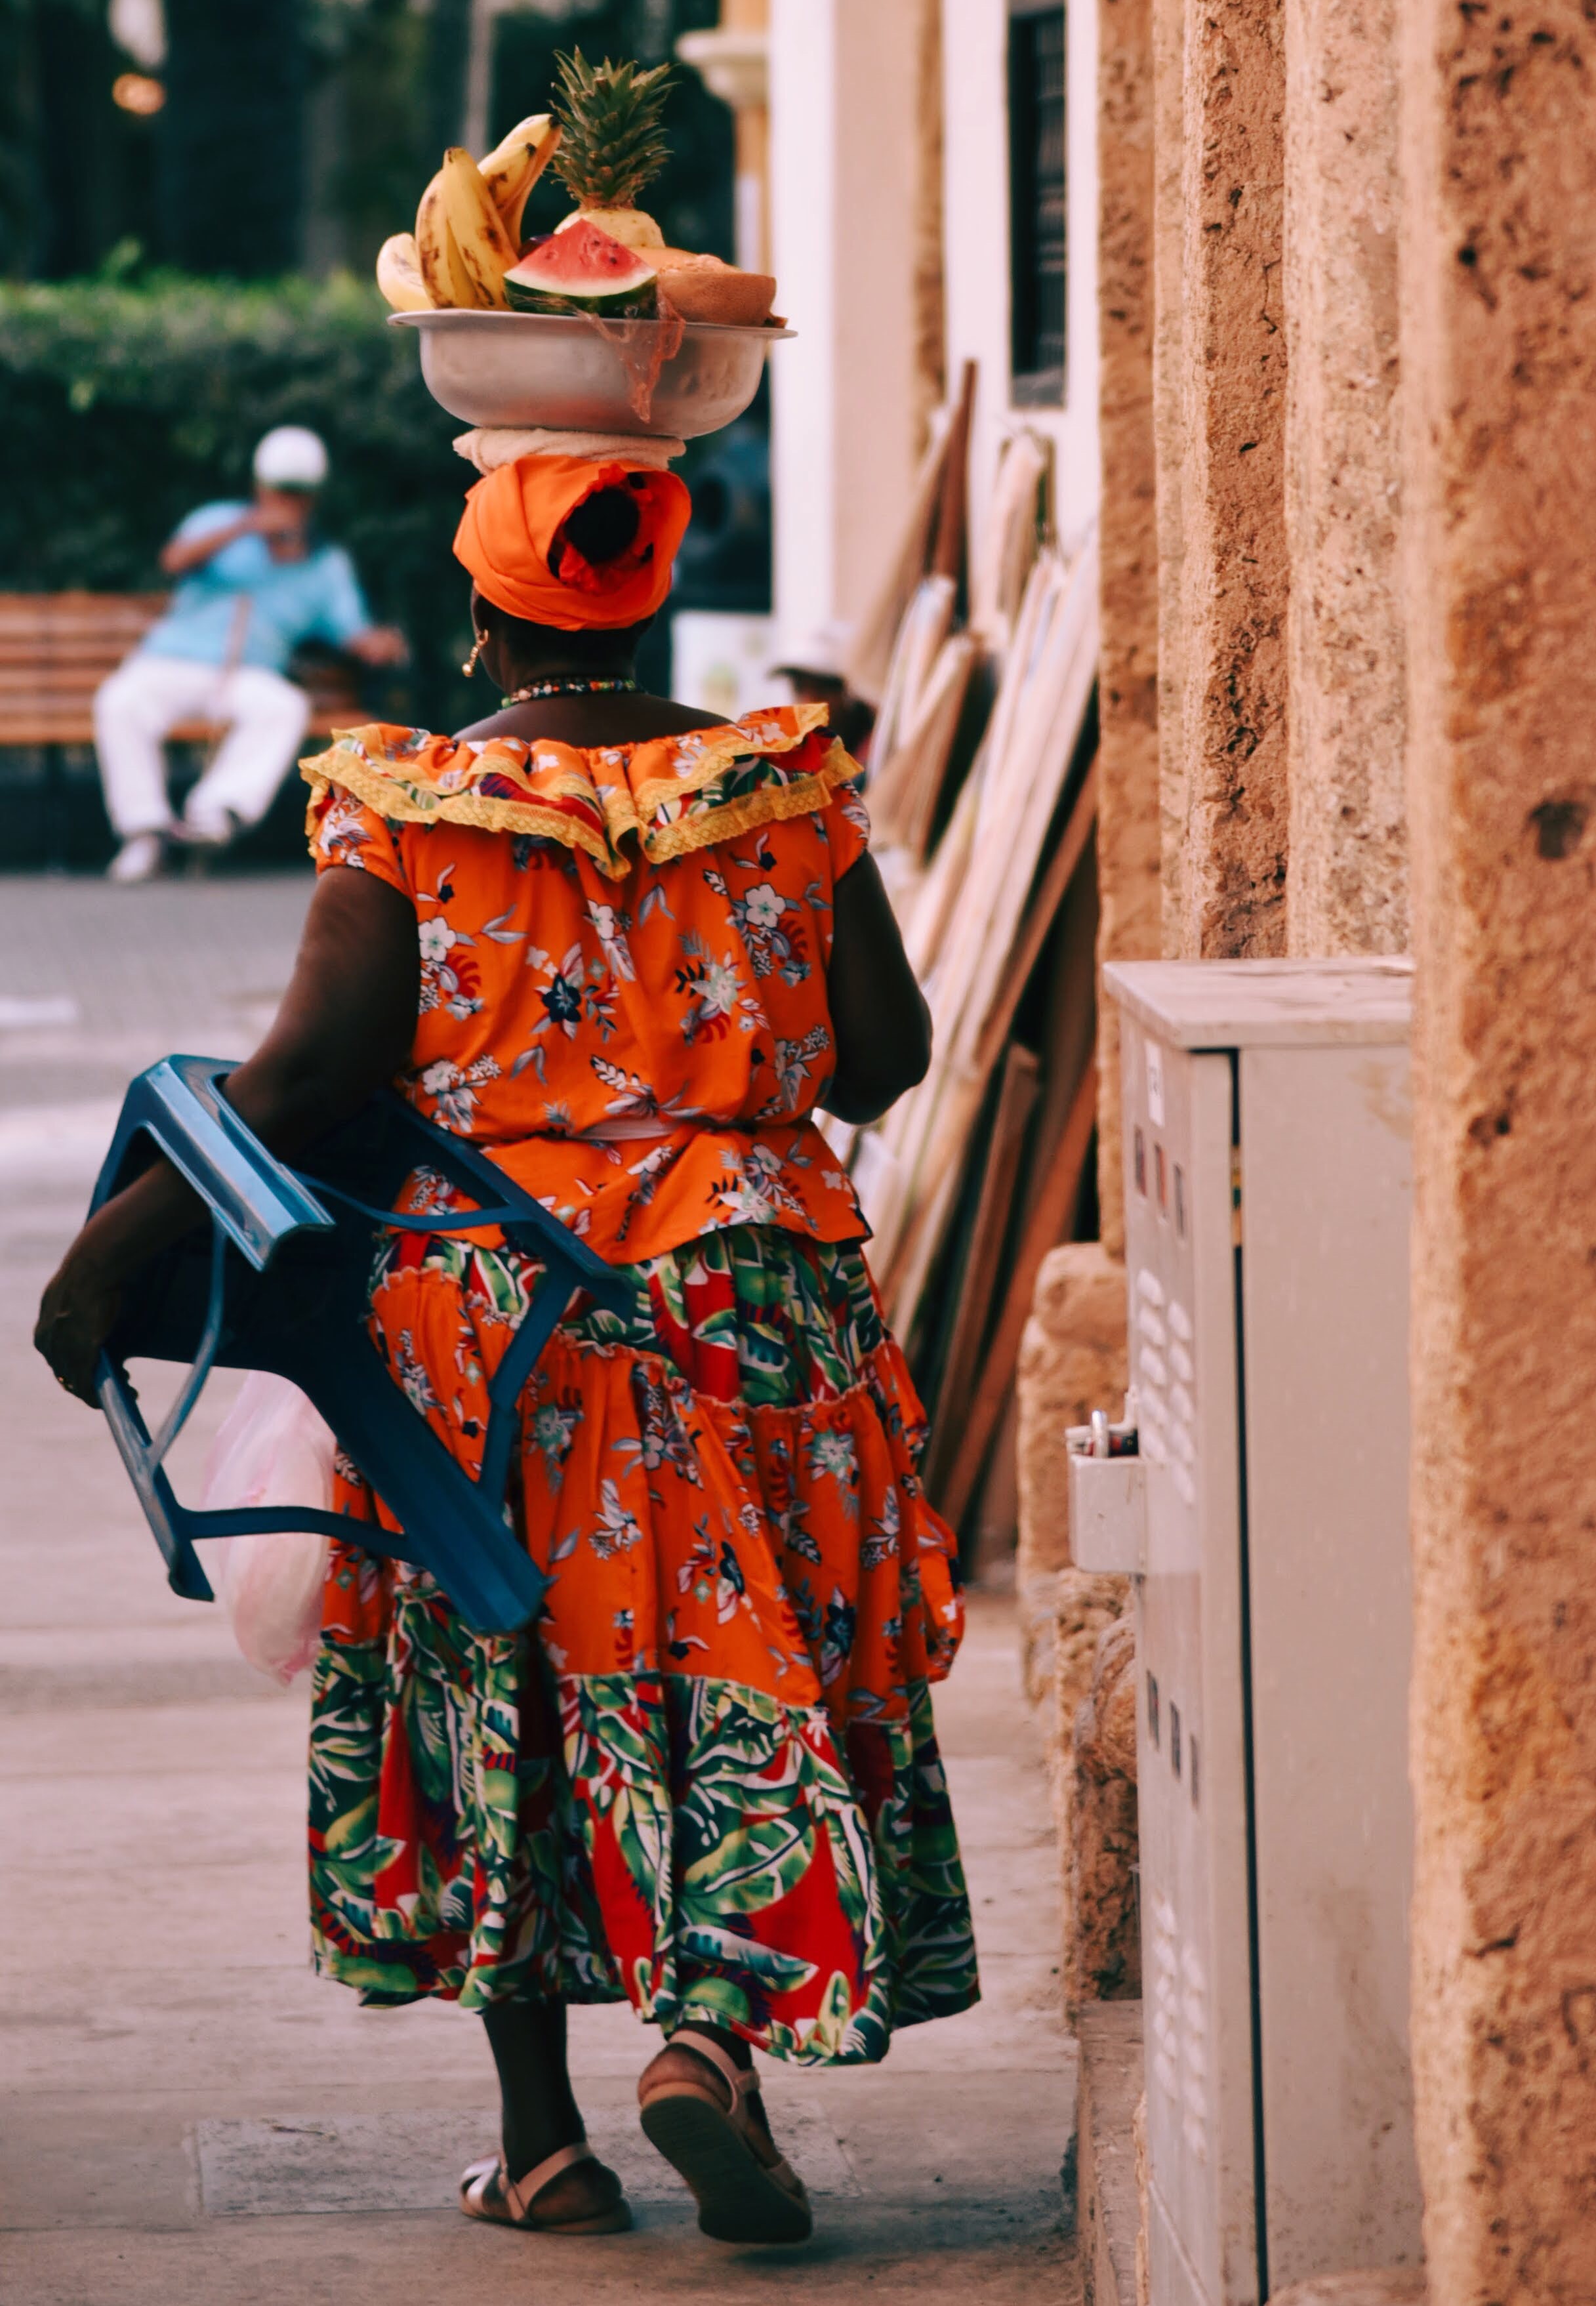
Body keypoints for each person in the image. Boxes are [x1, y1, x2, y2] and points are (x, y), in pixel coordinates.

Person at [37, 448, 970, 2244]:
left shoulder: (409, 802)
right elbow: (883, 1049)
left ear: (479, 623)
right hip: (755, 1297)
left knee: (503, 1679)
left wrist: (117, 1250)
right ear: (645, 595)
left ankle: (540, 2142)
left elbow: (311, 1078)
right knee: (744, 1654)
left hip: (503, 1318)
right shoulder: (775, 781)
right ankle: (707, 2036)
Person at [92, 424, 407, 885]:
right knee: (119, 700)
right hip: (170, 661)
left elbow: (354, 633)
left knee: (285, 705)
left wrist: (380, 643)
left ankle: (216, 814)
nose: (287, 502)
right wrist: (245, 528)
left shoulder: (325, 566)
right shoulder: (219, 520)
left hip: (248, 674)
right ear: (260, 487)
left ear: (314, 498)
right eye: (279, 490)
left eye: (298, 493)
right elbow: (173, 561)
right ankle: (145, 832)